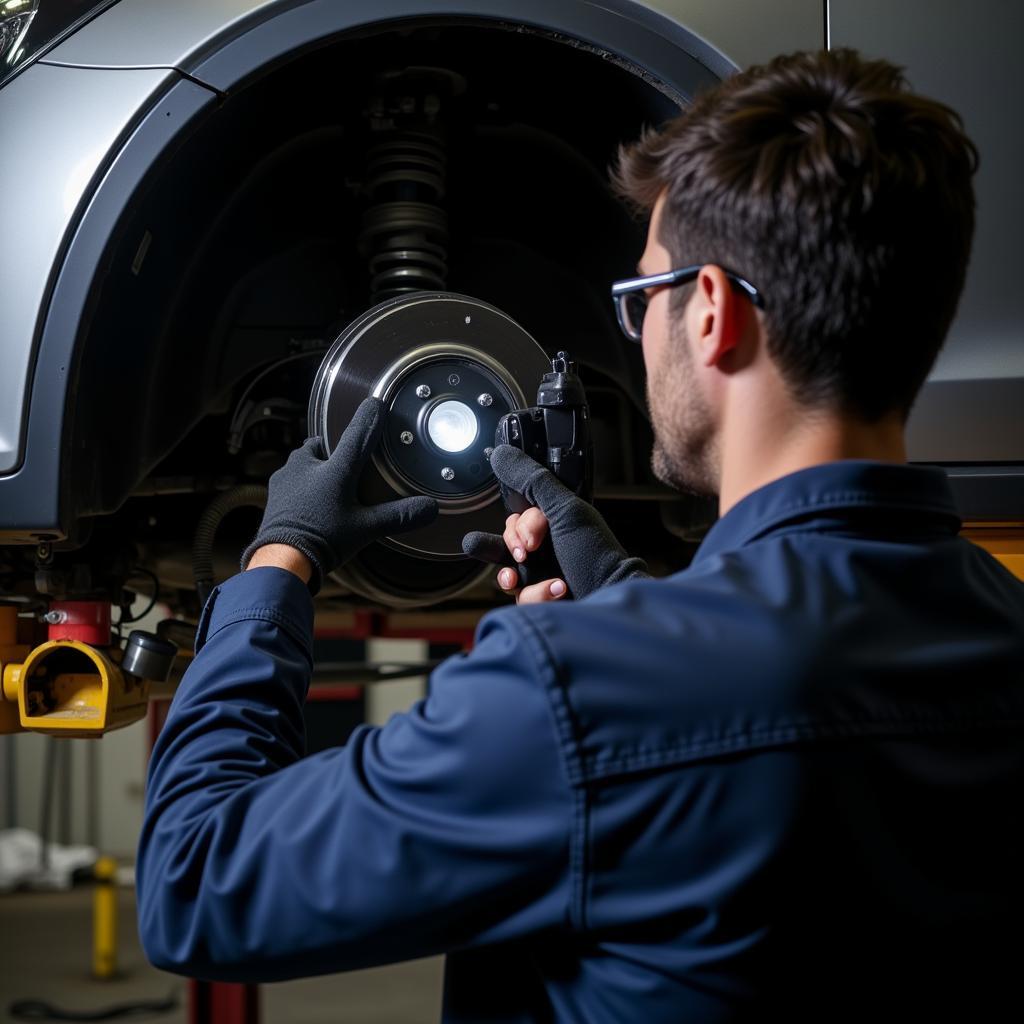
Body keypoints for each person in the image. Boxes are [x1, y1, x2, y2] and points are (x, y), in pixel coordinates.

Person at [136, 49, 1024, 1021]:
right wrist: (634, 604)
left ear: (713, 314)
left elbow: (195, 883)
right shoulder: (1001, 629)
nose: (636, 332)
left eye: (643, 297)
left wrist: (281, 557)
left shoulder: (575, 693)